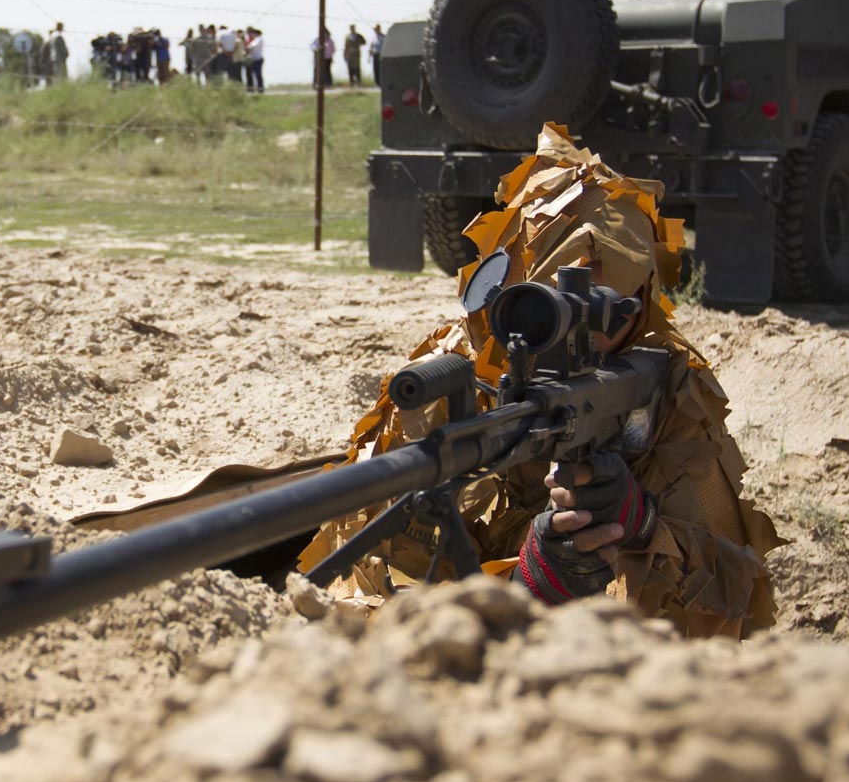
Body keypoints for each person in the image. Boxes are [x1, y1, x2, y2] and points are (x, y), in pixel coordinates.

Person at [298, 124, 781, 639]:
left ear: (642, 305)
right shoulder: (444, 387)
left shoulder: (671, 386)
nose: (588, 338)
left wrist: (640, 531)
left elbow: (736, 603)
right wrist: (533, 584)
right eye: (549, 310)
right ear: (509, 291)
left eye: (612, 311)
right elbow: (369, 603)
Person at [244, 27, 265, 93]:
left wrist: (246, 47)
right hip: (253, 59)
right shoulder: (255, 39)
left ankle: (260, 87)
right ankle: (253, 87)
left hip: (257, 59)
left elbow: (251, 46)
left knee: (258, 74)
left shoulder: (259, 39)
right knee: (251, 74)